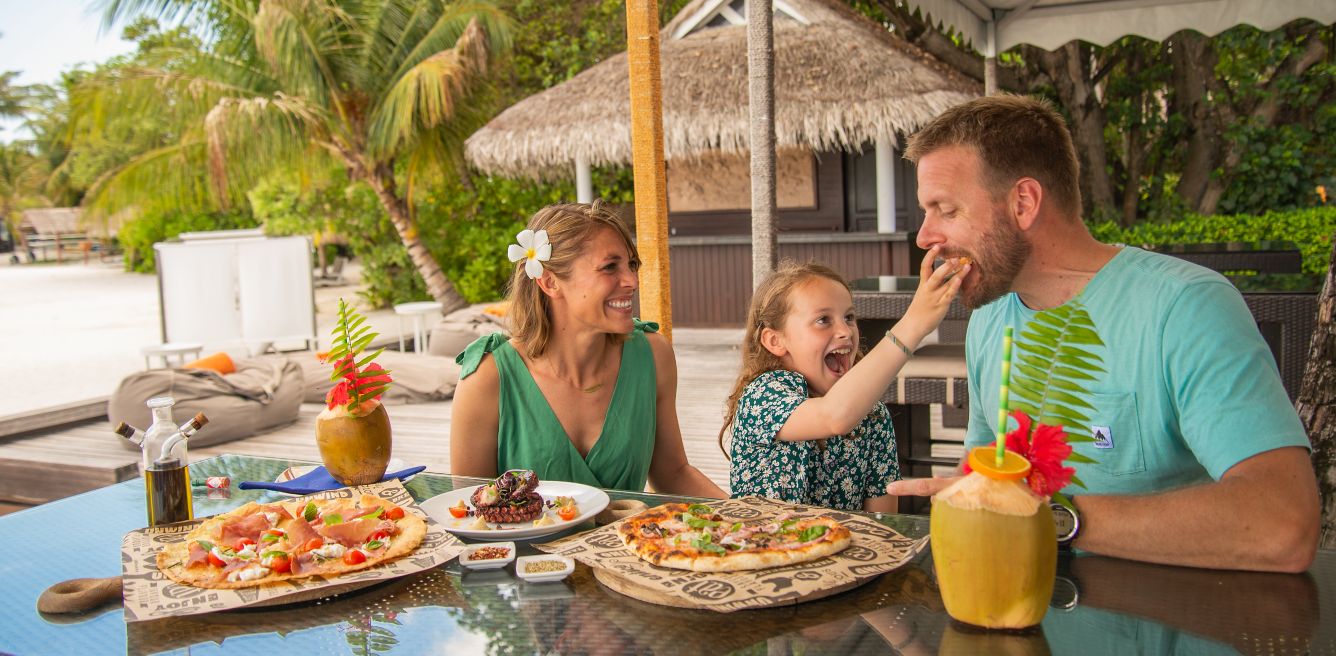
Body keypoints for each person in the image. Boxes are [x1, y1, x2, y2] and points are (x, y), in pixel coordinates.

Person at [887, 94, 1319, 572]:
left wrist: (1054, 518)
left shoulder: (1185, 308)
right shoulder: (990, 318)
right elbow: (983, 485)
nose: (924, 236)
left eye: (944, 209)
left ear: (1024, 203)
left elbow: (1283, 524)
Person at [451, 200, 724, 497]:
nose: (631, 281)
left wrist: (760, 517)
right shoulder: (488, 378)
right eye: (610, 267)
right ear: (550, 282)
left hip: (633, 543)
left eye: (631, 265)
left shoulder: (653, 355)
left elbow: (672, 473)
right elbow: (470, 506)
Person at [722, 254, 968, 512]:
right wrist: (912, 325)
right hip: (765, 547)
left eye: (849, 317)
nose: (845, 331)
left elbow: (882, 521)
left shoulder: (872, 415)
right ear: (775, 341)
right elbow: (834, 416)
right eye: (823, 320)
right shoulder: (763, 395)